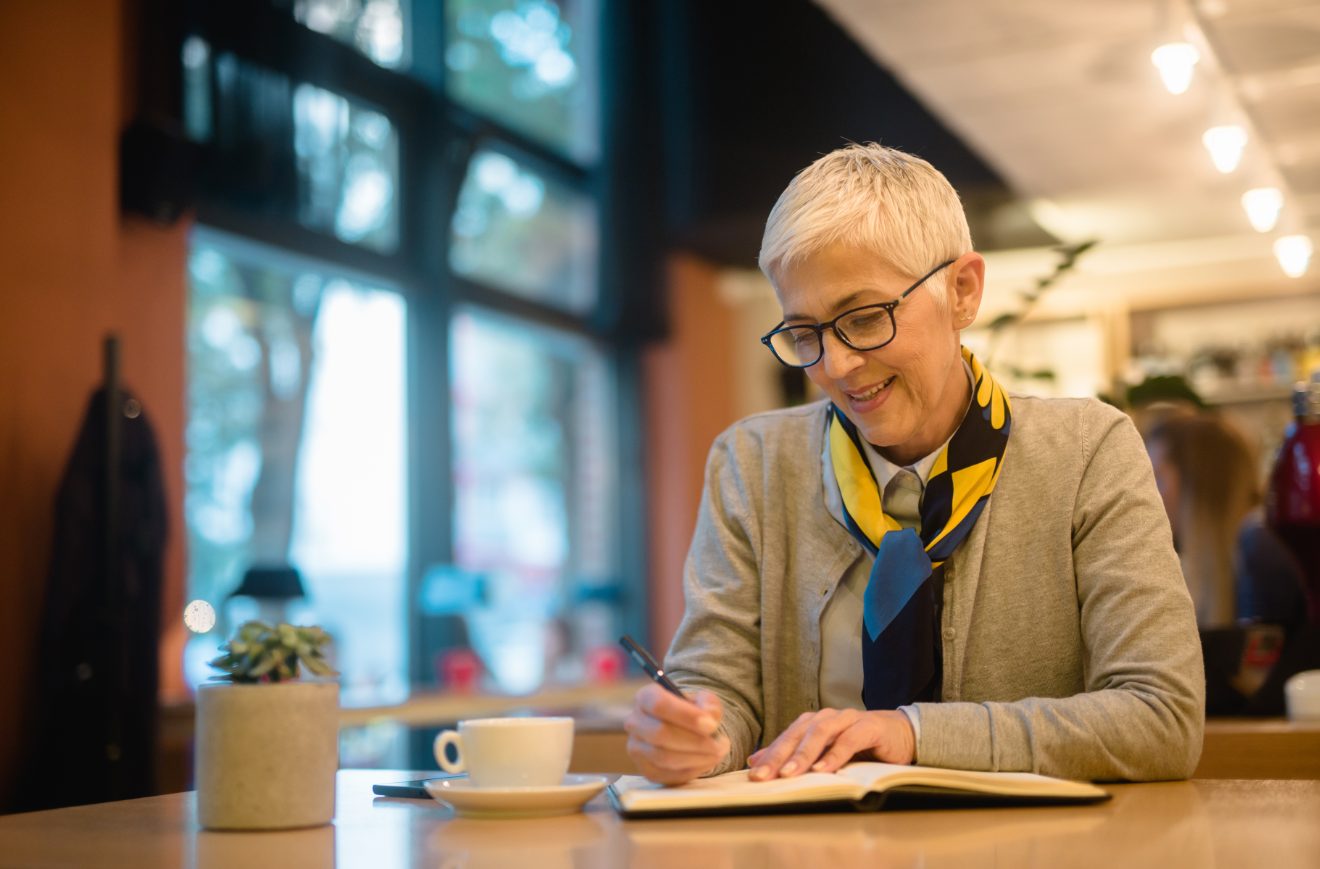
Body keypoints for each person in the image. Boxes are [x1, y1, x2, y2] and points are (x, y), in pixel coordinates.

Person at [624, 143, 1204, 785]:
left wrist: (915, 734)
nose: (836, 367)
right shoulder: (752, 465)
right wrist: (698, 735)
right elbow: (718, 692)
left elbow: (1163, 718)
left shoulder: (1087, 451)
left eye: (866, 318)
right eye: (804, 333)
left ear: (963, 290)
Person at [1144, 409, 1309, 630]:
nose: (1149, 493)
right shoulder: (1216, 566)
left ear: (1200, 484)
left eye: (1158, 477)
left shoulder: (1258, 549)